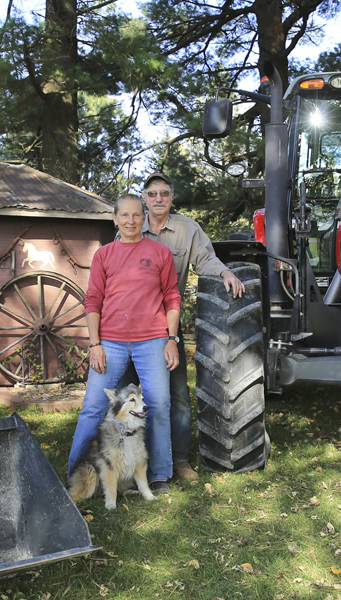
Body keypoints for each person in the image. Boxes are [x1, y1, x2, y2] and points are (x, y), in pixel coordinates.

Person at [125, 172, 245, 481]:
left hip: (167, 325)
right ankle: (129, 460)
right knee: (128, 393)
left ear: (171, 197)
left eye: (164, 193)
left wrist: (225, 274)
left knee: (176, 394)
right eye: (152, 194)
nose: (158, 199)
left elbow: (206, 260)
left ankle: (177, 459)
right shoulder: (131, 227)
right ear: (144, 198)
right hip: (129, 326)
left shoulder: (187, 229)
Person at [67, 193, 182, 493]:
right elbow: (93, 300)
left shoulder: (159, 253)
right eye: (124, 215)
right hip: (111, 342)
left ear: (143, 219)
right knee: (92, 407)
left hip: (153, 340)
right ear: (115, 219)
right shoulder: (104, 255)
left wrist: (171, 339)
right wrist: (95, 344)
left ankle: (159, 475)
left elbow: (172, 296)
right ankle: (73, 472)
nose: (130, 221)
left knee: (158, 404)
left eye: (136, 215)